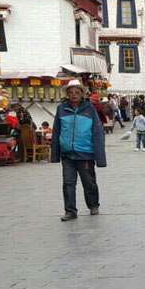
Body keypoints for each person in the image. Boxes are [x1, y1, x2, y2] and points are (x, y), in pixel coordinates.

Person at [50, 79, 106, 221]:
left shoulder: (89, 109)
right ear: (67, 94)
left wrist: (100, 158)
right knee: (68, 183)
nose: (74, 95)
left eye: (77, 92)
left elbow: (97, 132)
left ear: (82, 94)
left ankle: (93, 204)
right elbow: (56, 131)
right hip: (67, 153)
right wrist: (55, 154)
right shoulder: (61, 109)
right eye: (71, 92)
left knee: (88, 181)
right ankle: (70, 211)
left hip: (85, 153)